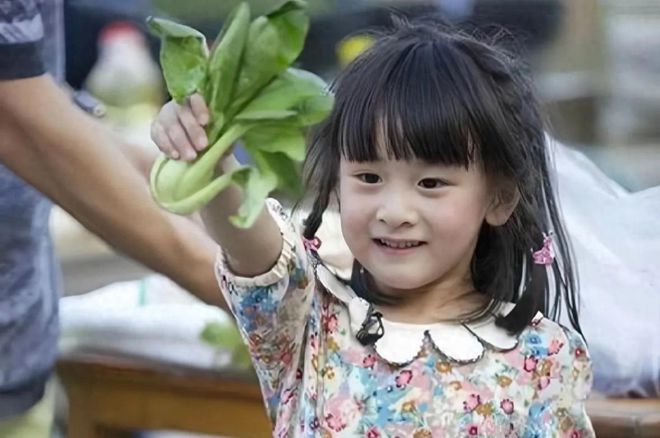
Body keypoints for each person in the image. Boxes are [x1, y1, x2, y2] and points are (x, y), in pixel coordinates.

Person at [153, 17, 595, 436]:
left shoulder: (544, 358)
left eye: (430, 183)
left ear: (498, 198)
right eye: (369, 178)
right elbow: (249, 243)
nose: (394, 210)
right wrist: (204, 154)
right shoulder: (308, 322)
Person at [0, 1, 222, 436]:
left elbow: (22, 78)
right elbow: (15, 119)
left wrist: (146, 171)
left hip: (17, 337)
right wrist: (245, 289)